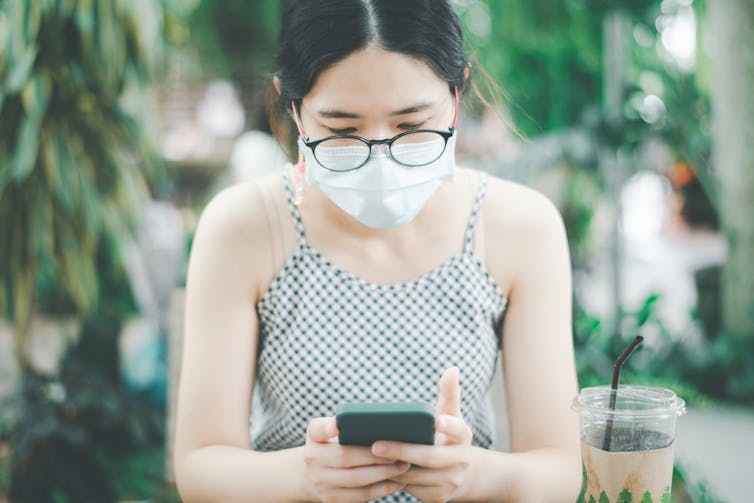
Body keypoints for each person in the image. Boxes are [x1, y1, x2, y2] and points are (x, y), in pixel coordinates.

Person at [173, 1, 581, 501]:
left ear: (457, 93)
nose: (382, 160)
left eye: (412, 126)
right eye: (342, 132)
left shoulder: (519, 227)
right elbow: (200, 466)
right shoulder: (245, 227)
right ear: (293, 106)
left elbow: (559, 470)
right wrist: (305, 476)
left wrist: (470, 474)